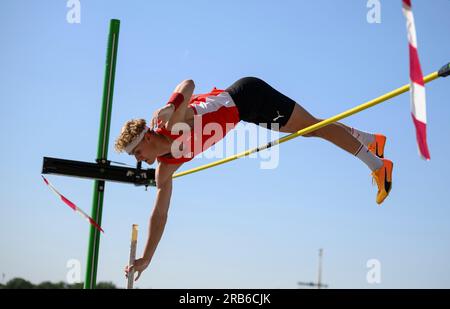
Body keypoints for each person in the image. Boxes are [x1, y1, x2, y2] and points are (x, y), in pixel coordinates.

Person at [115, 77, 393, 281]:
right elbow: (160, 213)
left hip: (247, 96)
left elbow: (187, 84)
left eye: (137, 151)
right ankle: (372, 142)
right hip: (245, 113)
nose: (139, 159)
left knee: (313, 128)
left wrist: (170, 104)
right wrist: (148, 257)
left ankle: (378, 165)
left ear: (148, 137)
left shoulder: (172, 122)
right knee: (312, 128)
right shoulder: (165, 167)